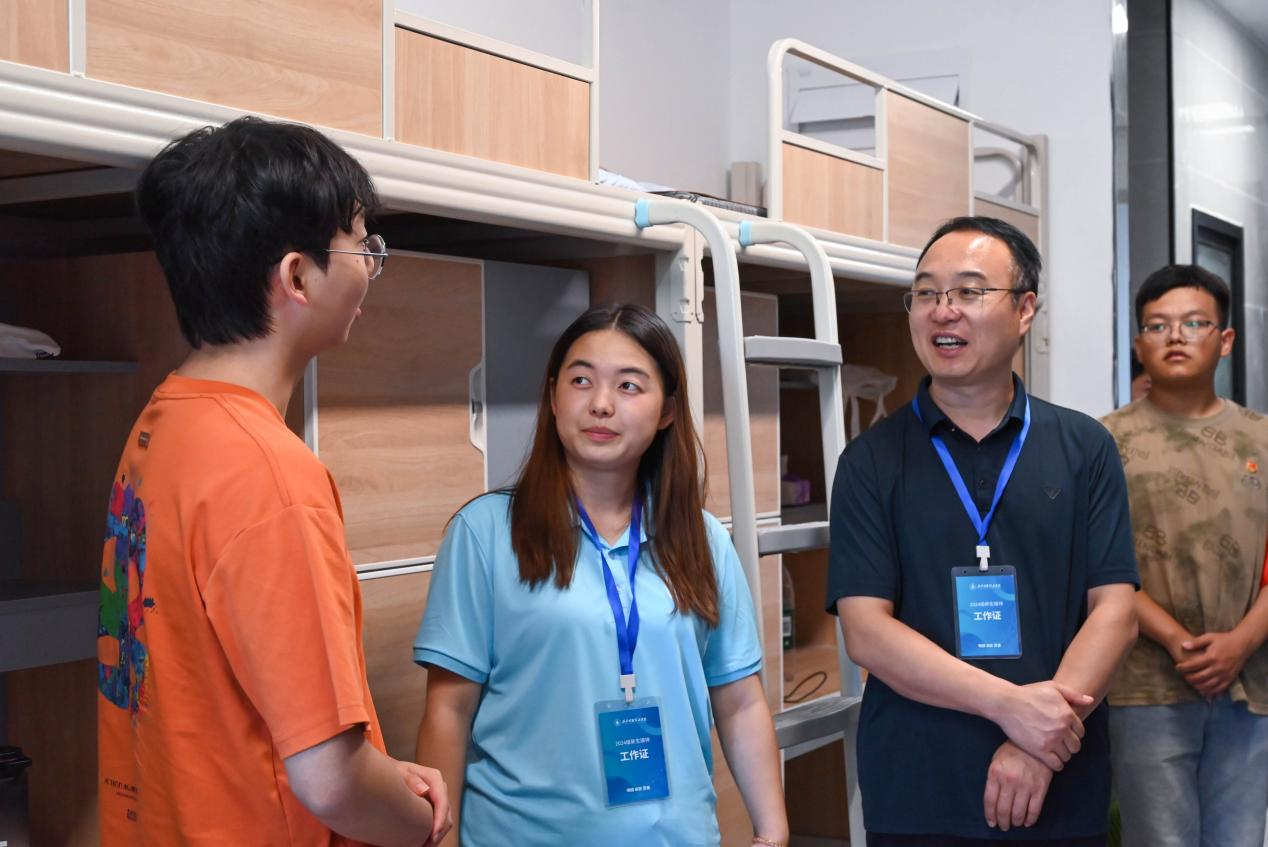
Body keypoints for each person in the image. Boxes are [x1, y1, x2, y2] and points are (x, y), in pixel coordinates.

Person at [97, 116, 449, 846]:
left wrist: (382, 773)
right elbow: (331, 782)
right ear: (296, 277)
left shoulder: (163, 424)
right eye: (362, 244)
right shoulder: (269, 474)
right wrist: (424, 823)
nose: (369, 266)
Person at [413, 303, 788, 847]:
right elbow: (448, 711)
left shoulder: (702, 539)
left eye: (629, 385)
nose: (601, 404)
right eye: (581, 380)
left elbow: (740, 701)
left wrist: (772, 831)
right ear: (553, 397)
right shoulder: (486, 532)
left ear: (667, 411)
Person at [827, 216, 1140, 846]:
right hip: (919, 790)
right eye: (926, 293)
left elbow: (1115, 612)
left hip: (1058, 786)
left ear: (1025, 309)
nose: (943, 311)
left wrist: (1038, 743)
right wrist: (1009, 706)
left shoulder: (1083, 447)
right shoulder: (870, 461)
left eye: (969, 291)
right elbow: (866, 631)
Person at [1101, 264, 1268, 847]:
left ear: (1225, 339)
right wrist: (1177, 640)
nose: (1175, 336)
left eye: (1194, 323)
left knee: (1239, 838)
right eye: (1158, 325)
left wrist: (1240, 642)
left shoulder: (1262, 439)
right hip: (1144, 685)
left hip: (1249, 682)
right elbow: (1097, 567)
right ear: (1138, 344)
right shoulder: (1100, 444)